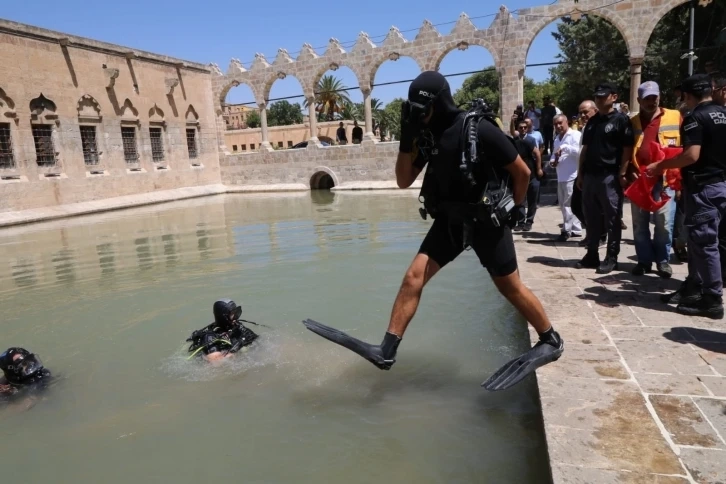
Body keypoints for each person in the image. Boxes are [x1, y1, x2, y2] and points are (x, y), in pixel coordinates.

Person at [302, 71, 564, 392]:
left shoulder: (478, 128)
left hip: (487, 221)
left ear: (438, 103)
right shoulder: (426, 135)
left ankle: (550, 339)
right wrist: (406, 135)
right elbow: (403, 179)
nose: (418, 114)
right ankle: (387, 349)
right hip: (451, 222)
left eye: (420, 108)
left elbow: (521, 172)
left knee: (510, 287)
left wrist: (514, 209)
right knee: (413, 277)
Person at [647, 74, 726, 318]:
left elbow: (691, 155)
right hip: (721, 184)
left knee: (704, 244)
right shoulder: (723, 113)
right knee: (702, 241)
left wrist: (661, 165)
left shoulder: (695, 118)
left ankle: (712, 298)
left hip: (705, 188)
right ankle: (693, 287)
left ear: (689, 95)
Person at [576, 82, 635, 274]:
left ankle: (612, 256)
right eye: (597, 96)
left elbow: (627, 149)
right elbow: (585, 149)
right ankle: (592, 253)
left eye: (603, 96)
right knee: (591, 217)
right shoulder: (592, 122)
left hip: (609, 175)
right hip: (590, 175)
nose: (600, 99)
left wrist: (622, 172)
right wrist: (580, 173)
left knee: (612, 218)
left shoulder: (621, 120)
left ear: (614, 97)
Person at [625, 81, 682, 278]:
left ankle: (663, 261)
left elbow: (684, 147)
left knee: (664, 224)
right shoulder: (632, 123)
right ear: (639, 100)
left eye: (654, 97)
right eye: (647, 98)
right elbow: (627, 150)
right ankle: (644, 261)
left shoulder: (675, 116)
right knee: (639, 224)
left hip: (666, 179)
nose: (652, 101)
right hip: (640, 181)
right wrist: (628, 171)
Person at [186, 299, 260, 361]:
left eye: (236, 313)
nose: (235, 317)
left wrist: (247, 340)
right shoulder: (209, 337)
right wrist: (236, 348)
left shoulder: (237, 327)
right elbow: (217, 363)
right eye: (232, 314)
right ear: (223, 317)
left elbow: (258, 340)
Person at [551, 114, 583, 241]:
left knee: (568, 205)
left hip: (572, 174)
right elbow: (554, 154)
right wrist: (553, 161)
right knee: (564, 204)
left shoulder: (575, 135)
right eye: (555, 124)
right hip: (561, 175)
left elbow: (579, 152)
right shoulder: (557, 138)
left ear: (566, 122)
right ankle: (576, 229)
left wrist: (565, 147)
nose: (558, 126)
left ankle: (567, 230)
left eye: (560, 123)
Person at [512, 119, 543, 231]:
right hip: (520, 175)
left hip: (532, 173)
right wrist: (512, 120)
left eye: (525, 127)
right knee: (520, 199)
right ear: (518, 129)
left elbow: (537, 154)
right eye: (521, 127)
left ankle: (529, 221)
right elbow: (511, 131)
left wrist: (539, 169)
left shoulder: (530, 140)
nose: (523, 129)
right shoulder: (515, 141)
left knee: (532, 199)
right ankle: (520, 222)